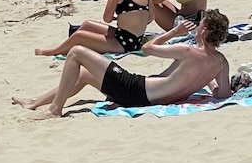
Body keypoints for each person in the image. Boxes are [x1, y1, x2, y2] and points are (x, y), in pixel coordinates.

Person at [12, 9, 231, 119]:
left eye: (198, 26)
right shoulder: (220, 62)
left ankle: (55, 109)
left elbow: (147, 48)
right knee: (86, 75)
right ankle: (34, 102)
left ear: (203, 30)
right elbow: (222, 94)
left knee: (77, 52)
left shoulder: (188, 51)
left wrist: (174, 32)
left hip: (134, 90)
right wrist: (207, 81)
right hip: (143, 98)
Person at [34, 0, 151, 56]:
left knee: (78, 35)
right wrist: (131, 18)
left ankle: (53, 51)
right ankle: (68, 46)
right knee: (87, 24)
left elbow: (107, 19)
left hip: (124, 44)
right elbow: (151, 17)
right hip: (136, 39)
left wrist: (120, 17)